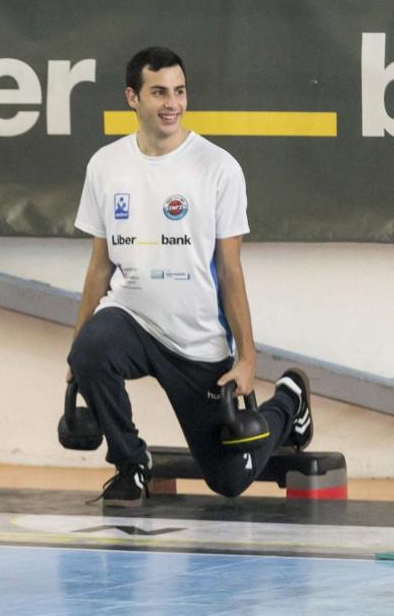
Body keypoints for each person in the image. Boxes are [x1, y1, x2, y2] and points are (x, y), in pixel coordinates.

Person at [68, 46, 314, 506]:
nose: (172, 103)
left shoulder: (218, 168)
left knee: (228, 479)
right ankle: (130, 463)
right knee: (92, 351)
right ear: (132, 98)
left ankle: (290, 402)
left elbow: (230, 270)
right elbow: (100, 264)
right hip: (132, 318)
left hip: (196, 343)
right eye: (158, 92)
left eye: (179, 92)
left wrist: (247, 358)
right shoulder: (105, 165)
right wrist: (76, 348)